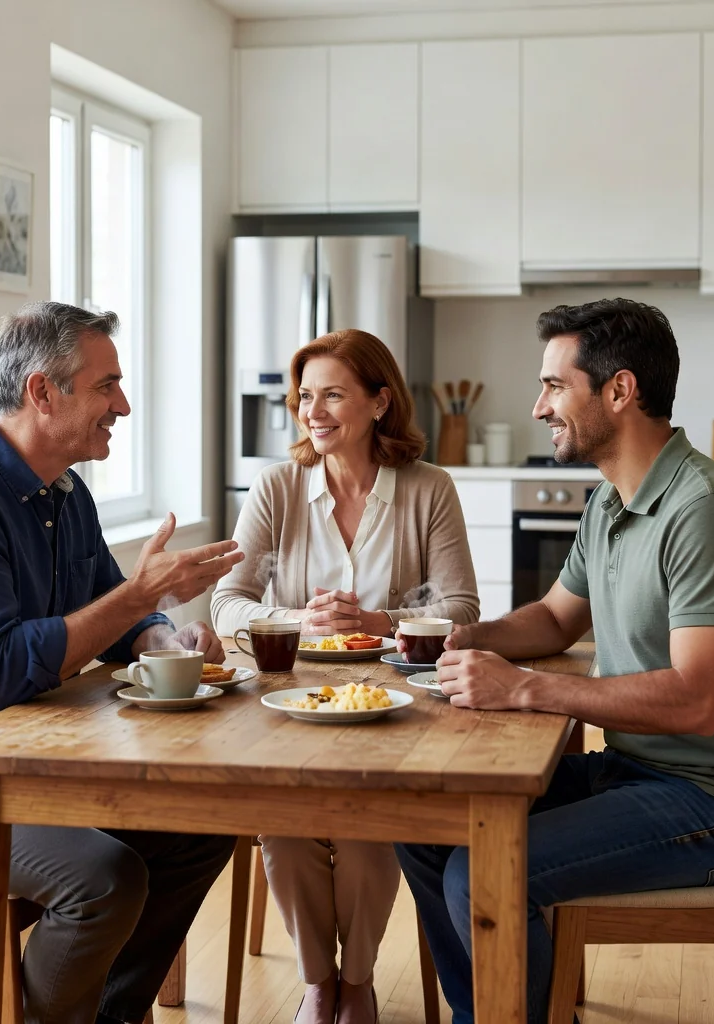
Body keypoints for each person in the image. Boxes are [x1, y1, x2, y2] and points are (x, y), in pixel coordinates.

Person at [395, 298, 714, 1024]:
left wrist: (524, 690)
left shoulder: (706, 510)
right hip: (636, 772)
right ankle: (492, 1014)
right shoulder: (612, 503)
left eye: (555, 385)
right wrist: (461, 640)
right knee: (424, 824)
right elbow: (554, 617)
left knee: (483, 875)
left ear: (619, 390)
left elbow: (695, 702)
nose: (539, 404)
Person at [0, 302, 246, 1024]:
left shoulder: (64, 492)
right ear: (41, 392)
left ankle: (105, 1016)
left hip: (18, 767)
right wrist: (136, 598)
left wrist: (162, 640)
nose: (122, 405)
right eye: (106, 386)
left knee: (200, 827)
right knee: (103, 878)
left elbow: (112, 616)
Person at [212, 328, 479, 1024]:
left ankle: (357, 981)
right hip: (290, 701)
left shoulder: (429, 489)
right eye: (305, 396)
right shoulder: (277, 487)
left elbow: (462, 609)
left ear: (380, 401)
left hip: (400, 704)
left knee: (368, 821)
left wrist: (380, 620)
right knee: (285, 820)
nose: (313, 411)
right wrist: (299, 618)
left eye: (333, 394)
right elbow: (225, 603)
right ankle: (318, 984)